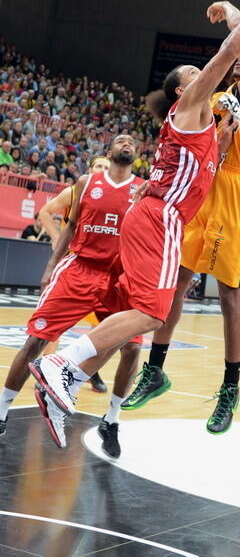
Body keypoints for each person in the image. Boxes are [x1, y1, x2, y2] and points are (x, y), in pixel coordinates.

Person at [28, 0, 240, 445]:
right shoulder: (198, 100)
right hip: (168, 213)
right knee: (156, 309)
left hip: (190, 203)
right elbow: (234, 49)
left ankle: (70, 373)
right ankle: (67, 367)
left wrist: (227, 142)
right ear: (183, 87)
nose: (209, 71)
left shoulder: (227, 109)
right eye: (196, 72)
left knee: (161, 307)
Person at [121, 0, 240, 436]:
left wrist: (233, 14)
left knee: (229, 296)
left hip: (233, 197)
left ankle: (230, 387)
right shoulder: (213, 98)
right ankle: (155, 369)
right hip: (200, 190)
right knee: (177, 284)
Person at [0, 135, 144, 457]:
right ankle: (2, 410)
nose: (126, 143)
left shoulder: (143, 189)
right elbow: (70, 225)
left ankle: (112, 420)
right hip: (80, 269)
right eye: (120, 140)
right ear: (109, 151)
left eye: (131, 142)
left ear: (136, 155)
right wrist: (51, 264)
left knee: (132, 351)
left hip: (120, 278)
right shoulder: (85, 182)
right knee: (36, 340)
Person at [38, 153, 113, 393]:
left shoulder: (115, 198)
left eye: (106, 167)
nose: (102, 169)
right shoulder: (73, 193)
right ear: (89, 170)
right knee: (56, 321)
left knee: (101, 325)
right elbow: (45, 212)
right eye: (98, 166)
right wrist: (57, 238)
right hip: (72, 262)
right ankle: (47, 370)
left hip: (99, 267)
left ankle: (90, 371)